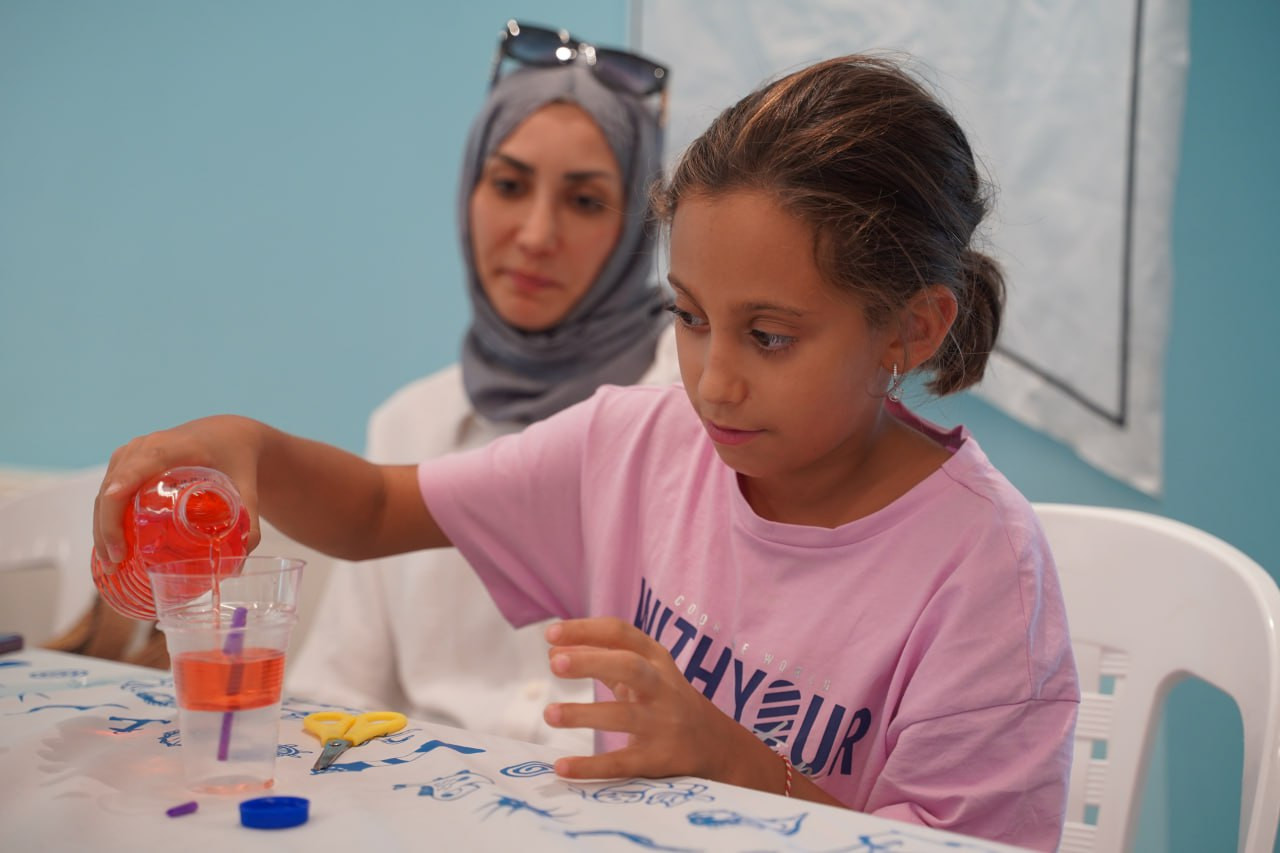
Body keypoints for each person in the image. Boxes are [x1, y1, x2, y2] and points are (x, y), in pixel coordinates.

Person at [93, 54, 1079, 850]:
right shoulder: (639, 445)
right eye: (689, 317)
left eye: (768, 336)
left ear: (911, 327)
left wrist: (731, 758)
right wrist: (250, 447)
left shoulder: (984, 574)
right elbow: (376, 510)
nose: (714, 381)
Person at [285, 25, 678, 752]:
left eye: (586, 201)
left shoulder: (695, 413)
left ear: (638, 226)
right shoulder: (409, 423)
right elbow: (335, 693)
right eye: (509, 186)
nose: (535, 234)